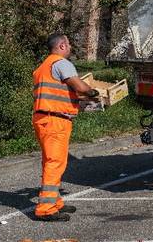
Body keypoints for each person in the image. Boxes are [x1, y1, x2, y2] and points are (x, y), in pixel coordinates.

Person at [32, 33, 99, 222]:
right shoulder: (62, 63)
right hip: (55, 120)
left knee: (50, 162)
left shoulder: (43, 67)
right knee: (56, 163)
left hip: (43, 118)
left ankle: (55, 202)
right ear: (61, 46)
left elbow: (59, 92)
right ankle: (46, 209)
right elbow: (80, 86)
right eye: (68, 44)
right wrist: (92, 92)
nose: (70, 47)